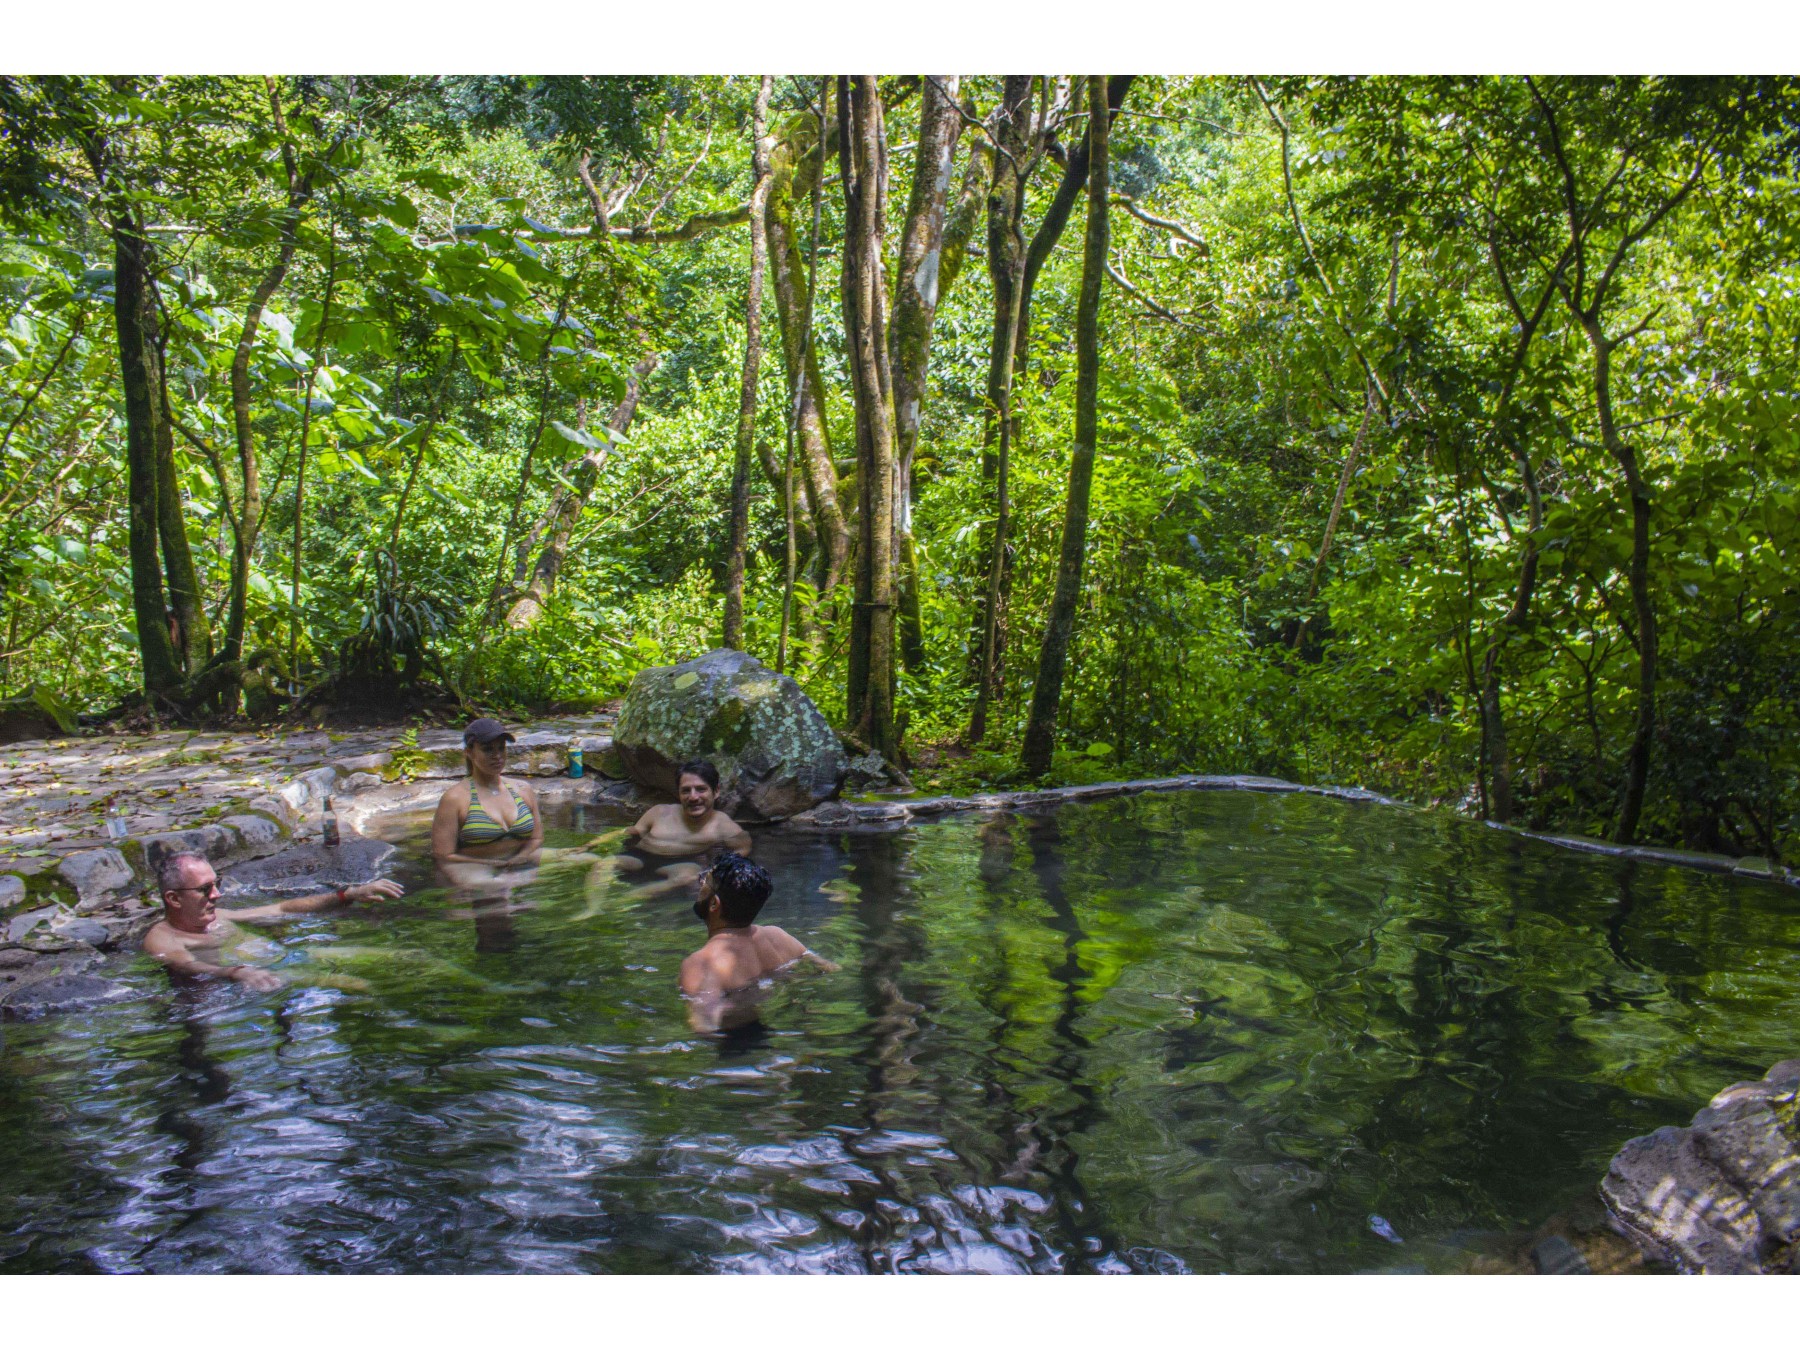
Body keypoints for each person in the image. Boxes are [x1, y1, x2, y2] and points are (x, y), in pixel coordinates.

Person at [142, 850, 403, 991]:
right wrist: (237, 973)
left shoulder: (218, 917)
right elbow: (188, 966)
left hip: (294, 957)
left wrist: (348, 894)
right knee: (363, 986)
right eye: (204, 889)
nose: (217, 894)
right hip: (271, 976)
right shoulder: (163, 939)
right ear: (174, 899)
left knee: (406, 956)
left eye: (216, 884)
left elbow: (280, 908)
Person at [679, 852, 835, 1031]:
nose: (700, 886)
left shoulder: (702, 963)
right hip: (774, 1030)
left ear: (714, 904)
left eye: (704, 881)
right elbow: (828, 968)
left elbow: (702, 1024)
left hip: (733, 1043)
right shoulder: (778, 937)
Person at [431, 717, 545, 885]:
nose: (497, 756)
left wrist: (520, 858)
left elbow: (536, 839)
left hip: (518, 858)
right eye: (488, 749)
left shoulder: (523, 789)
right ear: (469, 752)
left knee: (594, 861)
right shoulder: (455, 798)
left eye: (501, 748)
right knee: (498, 887)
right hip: (472, 865)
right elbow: (443, 855)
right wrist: (490, 864)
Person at [624, 759, 751, 860]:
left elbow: (743, 849)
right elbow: (631, 834)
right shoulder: (659, 813)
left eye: (701, 789)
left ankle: (638, 893)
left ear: (716, 791)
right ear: (678, 793)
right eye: (686, 790)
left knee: (687, 875)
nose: (693, 797)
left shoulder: (724, 826)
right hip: (639, 857)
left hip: (681, 866)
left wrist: (714, 873)